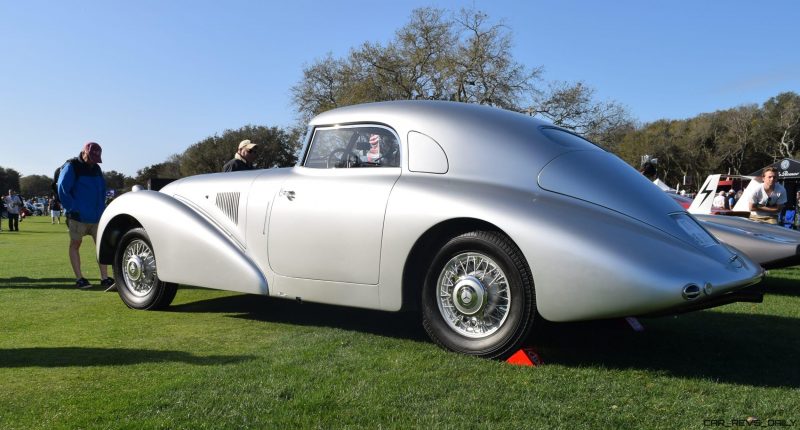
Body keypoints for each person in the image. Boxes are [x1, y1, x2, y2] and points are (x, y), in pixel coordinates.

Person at [57, 142, 114, 289]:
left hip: (97, 216)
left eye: (96, 159)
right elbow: (62, 190)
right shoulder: (71, 167)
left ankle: (105, 278)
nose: (93, 162)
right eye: (91, 158)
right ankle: (80, 278)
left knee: (102, 247)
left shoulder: (96, 168)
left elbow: (102, 189)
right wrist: (73, 208)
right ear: (84, 153)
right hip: (78, 216)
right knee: (75, 245)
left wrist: (103, 208)